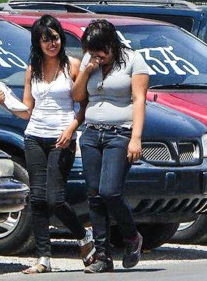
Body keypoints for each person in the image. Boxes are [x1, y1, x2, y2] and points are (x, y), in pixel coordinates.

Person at [0, 15, 94, 274]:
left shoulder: (72, 66)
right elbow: (27, 110)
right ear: (37, 42)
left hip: (62, 138)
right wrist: (5, 101)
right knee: (37, 199)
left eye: (56, 38)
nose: (52, 44)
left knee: (55, 198)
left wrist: (71, 129)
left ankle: (84, 237)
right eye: (46, 39)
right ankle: (43, 258)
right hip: (35, 136)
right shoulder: (32, 70)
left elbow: (84, 105)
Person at [71, 19, 149, 273]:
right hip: (92, 133)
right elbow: (78, 96)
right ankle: (102, 255)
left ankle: (131, 237)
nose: (97, 57)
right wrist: (87, 70)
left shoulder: (133, 61)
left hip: (120, 133)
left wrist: (135, 138)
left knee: (110, 192)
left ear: (112, 45)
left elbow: (139, 100)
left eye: (101, 52)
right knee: (94, 195)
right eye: (91, 52)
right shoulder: (89, 61)